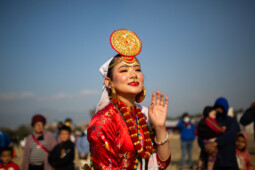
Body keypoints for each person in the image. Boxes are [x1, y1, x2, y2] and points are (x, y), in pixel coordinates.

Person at [87, 29, 171, 169]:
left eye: (137, 69)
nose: (133, 75)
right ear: (109, 82)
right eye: (124, 70)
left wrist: (160, 127)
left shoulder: (144, 115)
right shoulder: (104, 121)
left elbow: (162, 164)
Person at [201, 97, 240, 170]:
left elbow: (231, 135)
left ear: (225, 108)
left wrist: (216, 142)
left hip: (228, 160)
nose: (219, 109)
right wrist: (204, 145)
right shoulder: (209, 121)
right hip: (213, 161)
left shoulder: (232, 121)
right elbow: (201, 135)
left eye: (221, 107)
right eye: (217, 107)